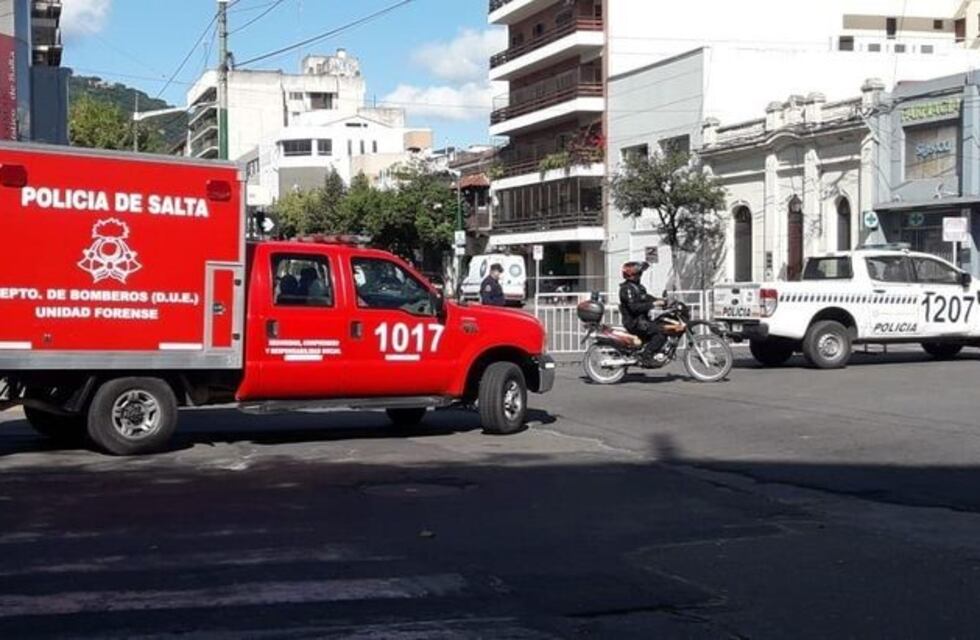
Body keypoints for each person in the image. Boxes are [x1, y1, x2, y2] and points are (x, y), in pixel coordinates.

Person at [619, 261, 666, 354]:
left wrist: (663, 301)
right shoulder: (627, 288)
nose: (640, 275)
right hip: (634, 322)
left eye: (640, 273)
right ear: (631, 274)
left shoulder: (638, 287)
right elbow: (634, 308)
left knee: (661, 323)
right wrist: (653, 304)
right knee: (661, 332)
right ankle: (647, 355)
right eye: (638, 273)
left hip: (642, 320)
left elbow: (647, 298)